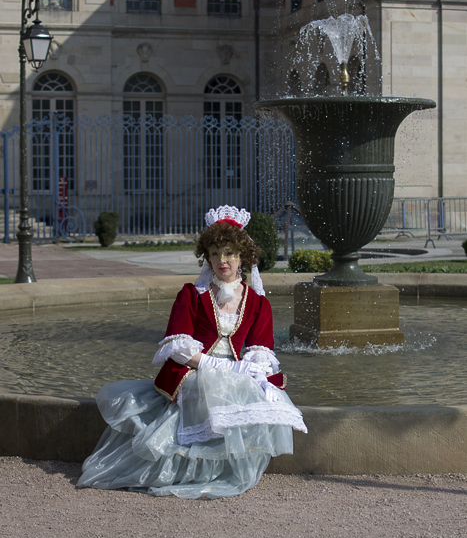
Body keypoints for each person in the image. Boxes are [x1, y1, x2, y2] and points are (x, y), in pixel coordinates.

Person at [77, 205, 307, 499]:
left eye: (229, 253)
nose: (222, 261)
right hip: (198, 370)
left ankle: (223, 472)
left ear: (242, 257)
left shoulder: (258, 303)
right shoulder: (190, 295)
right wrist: (220, 367)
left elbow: (260, 350)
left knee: (259, 395)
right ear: (206, 256)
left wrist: (254, 372)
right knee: (208, 394)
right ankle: (184, 473)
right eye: (215, 253)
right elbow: (178, 346)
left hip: (235, 372)